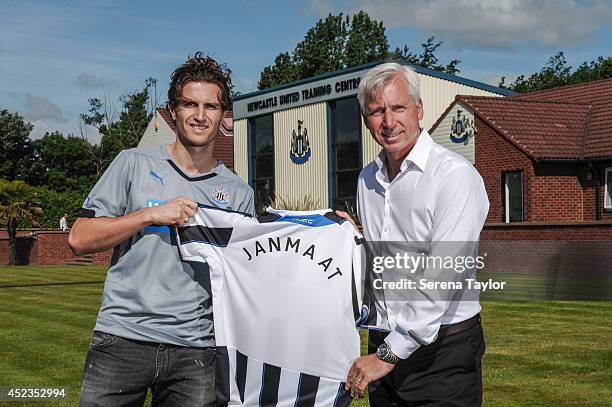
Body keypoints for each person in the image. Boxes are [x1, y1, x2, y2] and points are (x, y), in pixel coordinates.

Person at [69, 52, 254, 407]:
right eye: (190, 104)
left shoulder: (238, 193)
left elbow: (248, 275)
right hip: (121, 340)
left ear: (223, 114)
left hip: (195, 351)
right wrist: (149, 215)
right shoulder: (132, 163)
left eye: (210, 107)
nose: (200, 116)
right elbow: (79, 238)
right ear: (173, 111)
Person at [345, 63, 489, 405]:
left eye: (398, 107)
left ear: (419, 109)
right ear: (366, 119)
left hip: (443, 355)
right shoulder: (367, 180)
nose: (388, 121)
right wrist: (344, 238)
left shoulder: (454, 176)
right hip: (383, 343)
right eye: (377, 111)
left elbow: (440, 278)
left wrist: (387, 355)